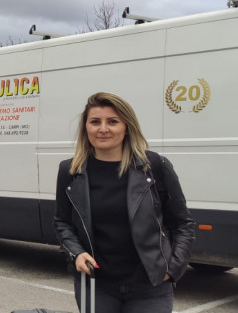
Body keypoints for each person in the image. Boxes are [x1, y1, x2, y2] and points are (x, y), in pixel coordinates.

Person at [54, 92, 195, 313]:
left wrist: (173, 269)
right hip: (96, 284)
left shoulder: (155, 166)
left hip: (150, 285)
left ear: (126, 126)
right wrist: (77, 253)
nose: (103, 129)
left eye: (112, 121)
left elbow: (183, 224)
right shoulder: (70, 171)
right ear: (85, 128)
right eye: (95, 122)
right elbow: (62, 222)